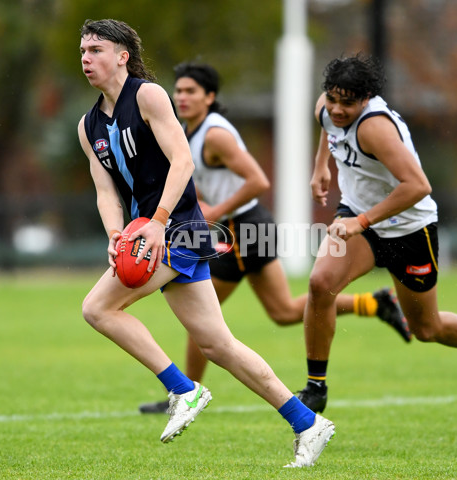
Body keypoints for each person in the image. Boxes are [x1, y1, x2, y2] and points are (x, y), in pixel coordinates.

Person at [77, 19, 334, 468]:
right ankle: (307, 422)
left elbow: (183, 160)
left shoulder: (149, 96)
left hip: (176, 230)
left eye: (96, 49)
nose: (85, 57)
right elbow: (104, 190)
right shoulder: (88, 125)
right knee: (218, 345)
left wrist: (156, 223)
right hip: (149, 235)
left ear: (122, 56)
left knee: (98, 308)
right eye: (82, 50)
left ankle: (183, 388)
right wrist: (117, 235)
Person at [138, 62, 411, 415]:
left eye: (191, 91)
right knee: (282, 311)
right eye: (178, 90)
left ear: (210, 97)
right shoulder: (188, 132)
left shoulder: (215, 135)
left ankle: (186, 394)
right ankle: (373, 304)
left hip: (243, 228)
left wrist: (215, 210)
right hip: (242, 227)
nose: (181, 97)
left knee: (199, 316)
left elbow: (258, 181)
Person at [296, 53, 457, 413]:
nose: (337, 109)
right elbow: (327, 127)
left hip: (409, 227)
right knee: (320, 283)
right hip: (358, 215)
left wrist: (360, 223)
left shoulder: (374, 127)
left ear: (365, 100)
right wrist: (321, 168)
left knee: (426, 329)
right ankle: (316, 388)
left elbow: (418, 185)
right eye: (332, 99)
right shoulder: (326, 107)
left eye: (347, 103)